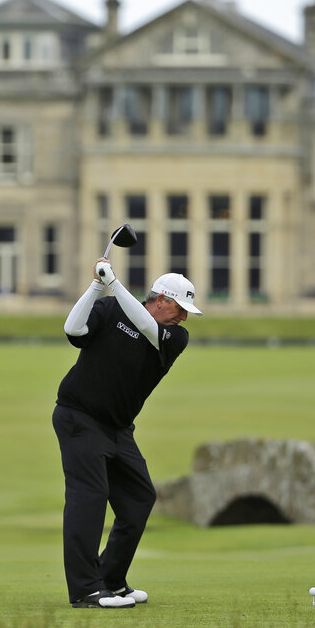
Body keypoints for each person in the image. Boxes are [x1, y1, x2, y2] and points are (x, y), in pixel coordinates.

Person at [52, 258, 202, 609]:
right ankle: (86, 590)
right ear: (161, 299)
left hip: (117, 427)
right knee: (89, 497)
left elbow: (146, 326)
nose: (183, 316)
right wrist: (97, 287)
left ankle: (111, 579)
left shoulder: (175, 337)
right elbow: (73, 330)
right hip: (79, 417)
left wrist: (115, 284)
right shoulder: (109, 308)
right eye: (180, 308)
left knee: (139, 497)